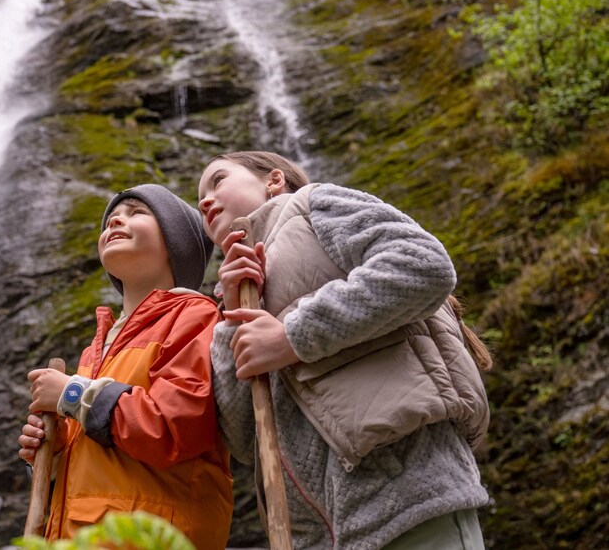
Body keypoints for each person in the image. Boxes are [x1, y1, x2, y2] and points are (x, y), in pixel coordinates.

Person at [197, 151, 493, 550]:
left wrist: (291, 336)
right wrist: (232, 317)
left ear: (274, 180)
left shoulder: (313, 206)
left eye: (218, 180)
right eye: (199, 198)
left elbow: (423, 264)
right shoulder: (231, 299)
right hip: (322, 536)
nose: (204, 200)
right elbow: (242, 438)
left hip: (409, 498)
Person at [18, 184, 234, 549]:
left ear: (175, 242)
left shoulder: (195, 316)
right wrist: (53, 457)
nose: (117, 218)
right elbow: (102, 463)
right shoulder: (94, 352)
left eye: (137, 212)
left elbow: (171, 427)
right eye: (111, 219)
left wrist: (72, 393)